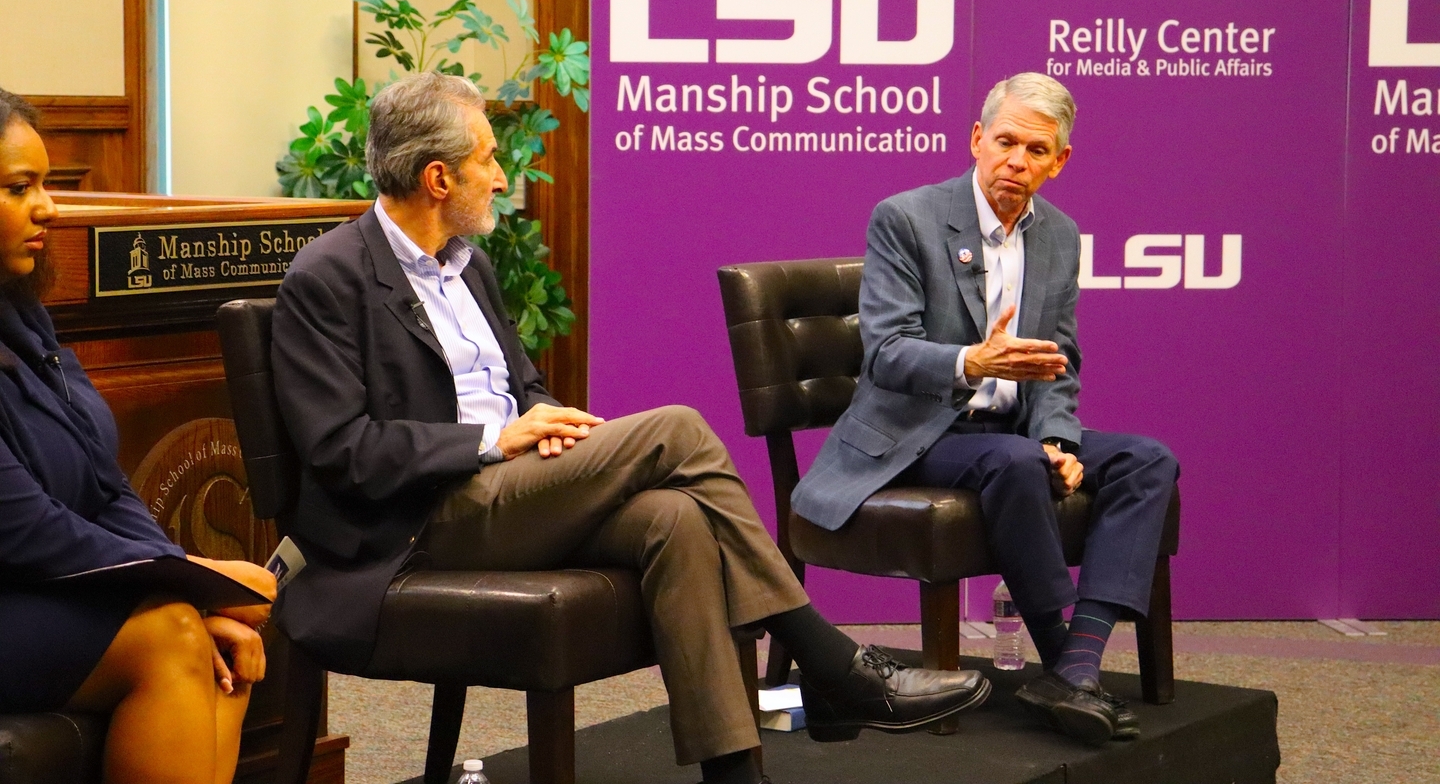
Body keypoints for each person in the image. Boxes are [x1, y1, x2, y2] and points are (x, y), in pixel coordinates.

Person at [269, 71, 990, 784]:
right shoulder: (329, 275)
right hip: (419, 522)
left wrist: (540, 425)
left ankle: (736, 773)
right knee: (676, 429)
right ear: (436, 178)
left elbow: (525, 390)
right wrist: (494, 441)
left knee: (674, 517)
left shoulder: (470, 266)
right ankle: (829, 662)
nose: (499, 176)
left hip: (507, 494)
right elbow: (341, 451)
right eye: (487, 159)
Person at [792, 73, 1179, 746]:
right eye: (1005, 142)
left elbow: (1058, 361)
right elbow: (886, 353)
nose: (1016, 161)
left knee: (1148, 460)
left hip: (1014, 436)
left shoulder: (1059, 235)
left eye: (1036, 150)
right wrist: (973, 361)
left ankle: (1076, 668)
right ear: (977, 139)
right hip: (915, 433)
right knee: (1013, 460)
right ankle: (1064, 659)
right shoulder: (906, 217)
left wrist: (1058, 438)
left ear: (1059, 162)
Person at [0, 88, 277, 784]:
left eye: (47, 184)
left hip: (37, 589)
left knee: (228, 637)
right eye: (18, 188)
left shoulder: (23, 315)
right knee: (175, 634)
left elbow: (104, 483)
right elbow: (25, 530)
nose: (48, 208)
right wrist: (195, 581)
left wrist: (187, 581)